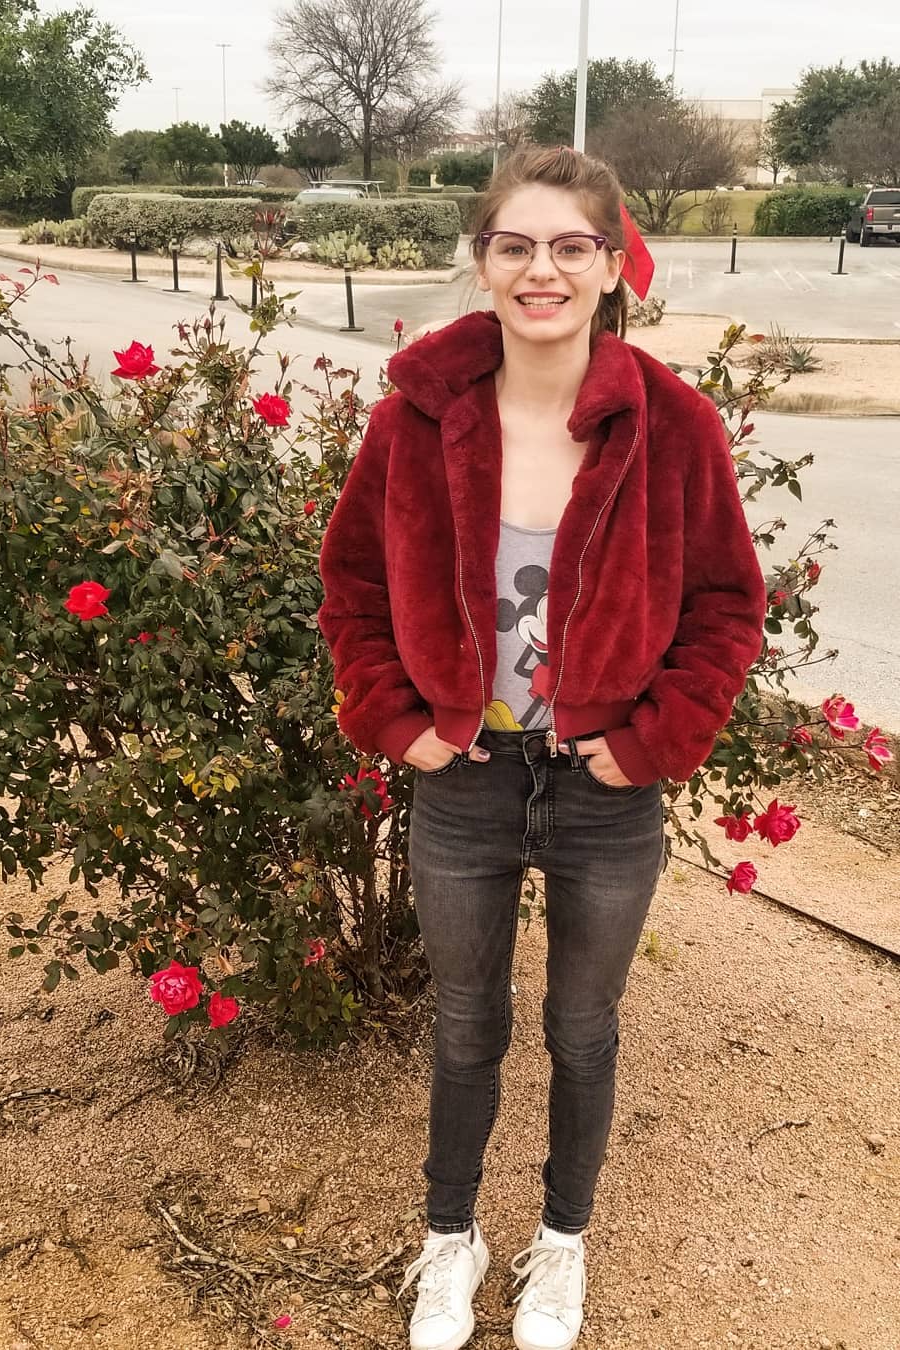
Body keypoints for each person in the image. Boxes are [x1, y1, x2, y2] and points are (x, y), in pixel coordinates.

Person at [317, 144, 766, 1350]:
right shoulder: (420, 419)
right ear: (483, 262)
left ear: (613, 267)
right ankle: (448, 1240)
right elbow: (352, 583)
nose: (542, 270)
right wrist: (395, 720)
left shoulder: (672, 425)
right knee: (466, 1021)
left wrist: (660, 737)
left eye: (571, 246)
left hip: (604, 792)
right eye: (514, 245)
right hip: (464, 783)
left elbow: (727, 602)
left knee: (582, 1026)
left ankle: (559, 1245)